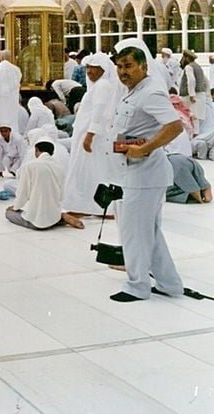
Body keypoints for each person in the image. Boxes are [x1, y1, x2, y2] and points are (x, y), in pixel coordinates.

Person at [108, 40, 184, 302]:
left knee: (135, 233)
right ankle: (170, 284)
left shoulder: (150, 92)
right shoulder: (135, 91)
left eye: (128, 66)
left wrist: (145, 148)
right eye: (119, 67)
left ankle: (138, 286)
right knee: (148, 231)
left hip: (146, 173)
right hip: (136, 173)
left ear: (143, 66)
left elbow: (175, 126)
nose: (123, 72)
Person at [63, 52, 123, 216]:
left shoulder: (103, 86)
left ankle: (94, 206)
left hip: (93, 136)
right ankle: (86, 206)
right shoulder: (97, 86)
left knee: (90, 171)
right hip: (87, 134)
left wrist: (89, 136)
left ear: (103, 69)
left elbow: (99, 112)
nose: (89, 71)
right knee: (88, 171)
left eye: (94, 68)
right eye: (88, 67)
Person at [5, 139, 85, 230]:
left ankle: (60, 217)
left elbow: (23, 193)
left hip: (36, 222)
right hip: (54, 217)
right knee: (50, 212)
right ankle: (60, 216)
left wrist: (15, 207)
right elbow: (61, 196)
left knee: (9, 214)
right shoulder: (59, 168)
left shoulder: (29, 166)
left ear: (36, 150)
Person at [0, 50, 22, 134]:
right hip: (12, 99)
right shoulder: (16, 69)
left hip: (0, 101)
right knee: (12, 119)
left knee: (1, 120)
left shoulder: (0, 70)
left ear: (1, 58)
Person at [179, 49, 209, 135]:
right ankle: (196, 134)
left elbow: (191, 80)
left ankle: (192, 136)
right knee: (196, 119)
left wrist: (192, 94)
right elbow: (206, 81)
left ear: (186, 58)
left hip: (191, 97)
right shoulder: (198, 67)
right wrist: (206, 93)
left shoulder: (189, 67)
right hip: (200, 95)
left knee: (190, 117)